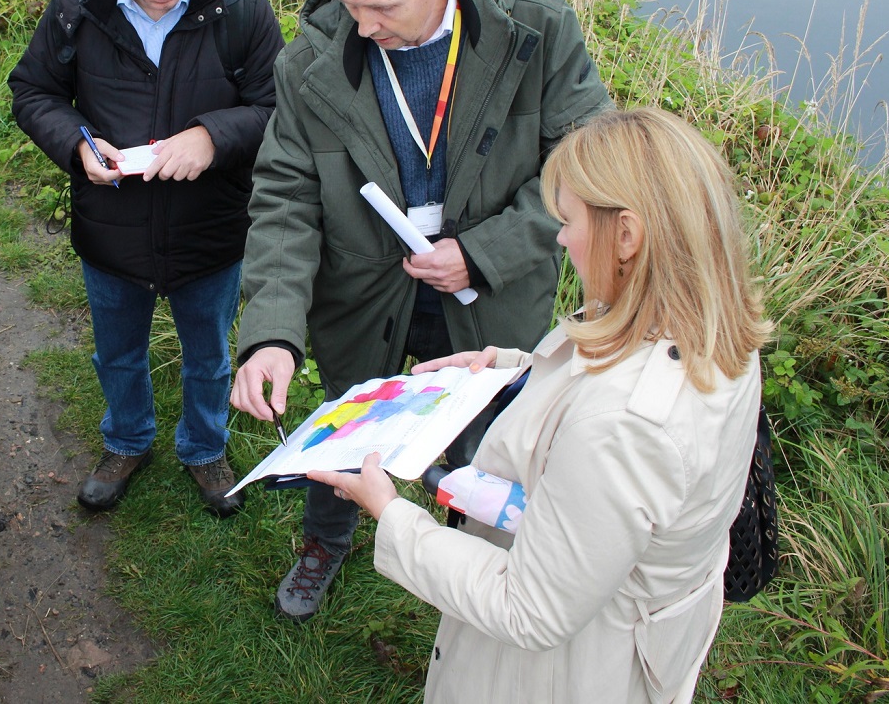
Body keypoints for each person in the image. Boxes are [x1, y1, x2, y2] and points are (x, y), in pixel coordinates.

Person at [230, 0, 612, 620]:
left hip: (490, 294)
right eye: (349, 4)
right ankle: (326, 539)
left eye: (381, 8)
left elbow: (589, 167)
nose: (362, 27)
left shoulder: (540, 32)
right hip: (365, 290)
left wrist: (483, 252)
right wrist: (273, 330)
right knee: (348, 423)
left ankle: (484, 567)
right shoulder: (313, 55)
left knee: (493, 431)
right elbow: (283, 192)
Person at [310, 107, 771, 703]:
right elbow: (608, 385)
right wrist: (510, 372)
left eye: (570, 219)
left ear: (626, 234)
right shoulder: (707, 323)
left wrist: (394, 515)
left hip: (564, 675)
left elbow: (529, 610)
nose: (560, 237)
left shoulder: (626, 426)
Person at [8, 0, 283, 516]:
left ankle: (205, 447)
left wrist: (213, 137)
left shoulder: (240, 7)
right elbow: (33, 91)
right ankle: (127, 440)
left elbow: (279, 108)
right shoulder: (77, 6)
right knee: (118, 352)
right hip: (112, 225)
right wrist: (77, 144)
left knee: (210, 356)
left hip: (210, 227)